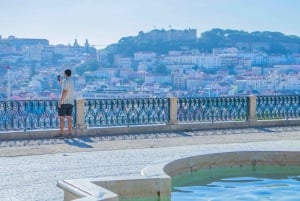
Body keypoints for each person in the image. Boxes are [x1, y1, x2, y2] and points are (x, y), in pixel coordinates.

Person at [55, 69, 74, 139]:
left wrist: (60, 101)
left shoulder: (65, 81)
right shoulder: (71, 81)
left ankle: (61, 134)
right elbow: (63, 84)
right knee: (69, 118)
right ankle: (70, 133)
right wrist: (59, 80)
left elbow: (65, 91)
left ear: (65, 74)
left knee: (62, 119)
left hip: (64, 102)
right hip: (71, 102)